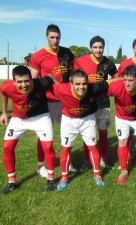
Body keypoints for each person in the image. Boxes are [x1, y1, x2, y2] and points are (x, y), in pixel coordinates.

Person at [52, 70, 114, 191]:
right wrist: (51, 77)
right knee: (66, 148)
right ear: (71, 84)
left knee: (93, 146)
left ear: (88, 83)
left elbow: (111, 81)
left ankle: (97, 174)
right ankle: (64, 177)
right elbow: (50, 83)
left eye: (84, 84)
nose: (81, 87)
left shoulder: (94, 88)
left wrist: (130, 79)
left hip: (88, 119)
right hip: (68, 120)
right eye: (78, 84)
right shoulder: (61, 89)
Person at [0, 65, 56, 194]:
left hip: (41, 117)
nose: (23, 85)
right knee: (7, 146)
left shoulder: (42, 82)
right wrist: (3, 112)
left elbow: (52, 78)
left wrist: (62, 93)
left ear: (32, 79)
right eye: (19, 82)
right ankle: (12, 181)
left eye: (26, 81)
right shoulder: (6, 86)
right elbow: (3, 92)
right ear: (14, 81)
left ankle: (51, 178)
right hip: (18, 118)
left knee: (47, 146)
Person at [30, 24, 75, 176]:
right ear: (46, 37)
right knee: (44, 134)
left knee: (68, 131)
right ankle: (40, 166)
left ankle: (68, 163)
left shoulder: (67, 53)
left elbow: (73, 73)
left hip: (65, 99)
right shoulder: (38, 56)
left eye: (58, 37)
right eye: (52, 37)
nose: (55, 40)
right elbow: (34, 80)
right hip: (47, 101)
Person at [73, 35, 118, 171]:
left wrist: (109, 86)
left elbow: (118, 78)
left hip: (103, 102)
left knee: (103, 132)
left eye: (100, 47)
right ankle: (87, 161)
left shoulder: (108, 63)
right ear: (91, 47)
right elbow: (74, 79)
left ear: (103, 47)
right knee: (88, 134)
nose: (98, 50)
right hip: (87, 102)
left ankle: (104, 158)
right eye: (95, 47)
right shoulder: (81, 61)